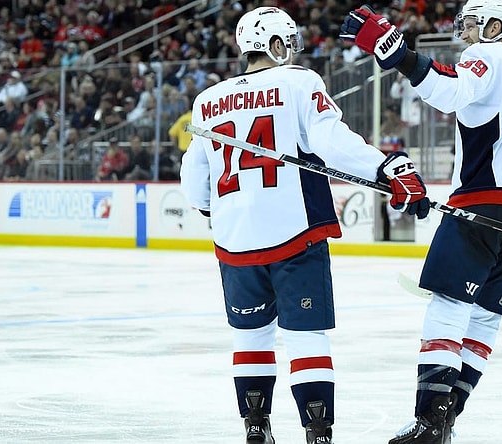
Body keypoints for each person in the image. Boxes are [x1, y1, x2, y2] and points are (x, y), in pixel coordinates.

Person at [179, 7, 429, 444]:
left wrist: (212, 208)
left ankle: (256, 430)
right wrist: (387, 168)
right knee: (305, 336)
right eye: (287, 42)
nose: (292, 50)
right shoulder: (298, 81)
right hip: (295, 232)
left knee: (251, 335)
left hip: (235, 240)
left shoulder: (207, 101)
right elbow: (331, 141)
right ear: (275, 45)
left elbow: (194, 181)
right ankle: (318, 435)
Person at [341, 1, 502, 442]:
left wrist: (398, 54)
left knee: (448, 305)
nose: (467, 33)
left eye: (475, 24)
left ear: (497, 25)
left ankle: (430, 423)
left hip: (485, 204)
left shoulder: (491, 54)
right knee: (485, 319)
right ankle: (446, 420)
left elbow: (449, 92)